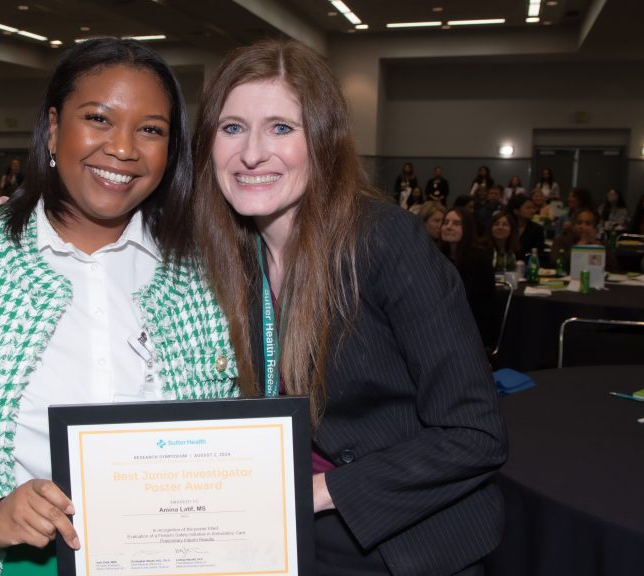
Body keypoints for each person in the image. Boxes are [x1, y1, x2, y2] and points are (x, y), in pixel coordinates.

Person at [0, 38, 239, 576]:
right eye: (98, 118)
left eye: (151, 129)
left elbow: (237, 420)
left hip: (169, 553)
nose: (123, 148)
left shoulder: (203, 271)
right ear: (53, 127)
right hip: (5, 562)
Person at [190, 39, 505, 575]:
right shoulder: (226, 252)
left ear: (324, 141)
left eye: (282, 128)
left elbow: (475, 435)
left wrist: (315, 491)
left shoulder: (385, 241)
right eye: (232, 127)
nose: (251, 153)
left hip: (398, 536)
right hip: (274, 528)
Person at [440, 208, 496, 344]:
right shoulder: (436, 255)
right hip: (443, 322)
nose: (448, 227)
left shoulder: (479, 259)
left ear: (467, 229)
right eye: (446, 222)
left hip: (470, 325)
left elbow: (470, 301)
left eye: (456, 223)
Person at [549, 208, 614, 272]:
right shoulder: (561, 241)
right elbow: (557, 264)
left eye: (588, 223)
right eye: (579, 223)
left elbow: (613, 269)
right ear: (573, 225)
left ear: (595, 228)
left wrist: (600, 251)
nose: (582, 226)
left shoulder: (601, 244)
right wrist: (580, 246)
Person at [509, 194, 546, 259]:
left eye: (533, 208)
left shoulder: (537, 229)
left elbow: (539, 253)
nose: (533, 211)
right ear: (516, 211)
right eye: (528, 208)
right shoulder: (507, 226)